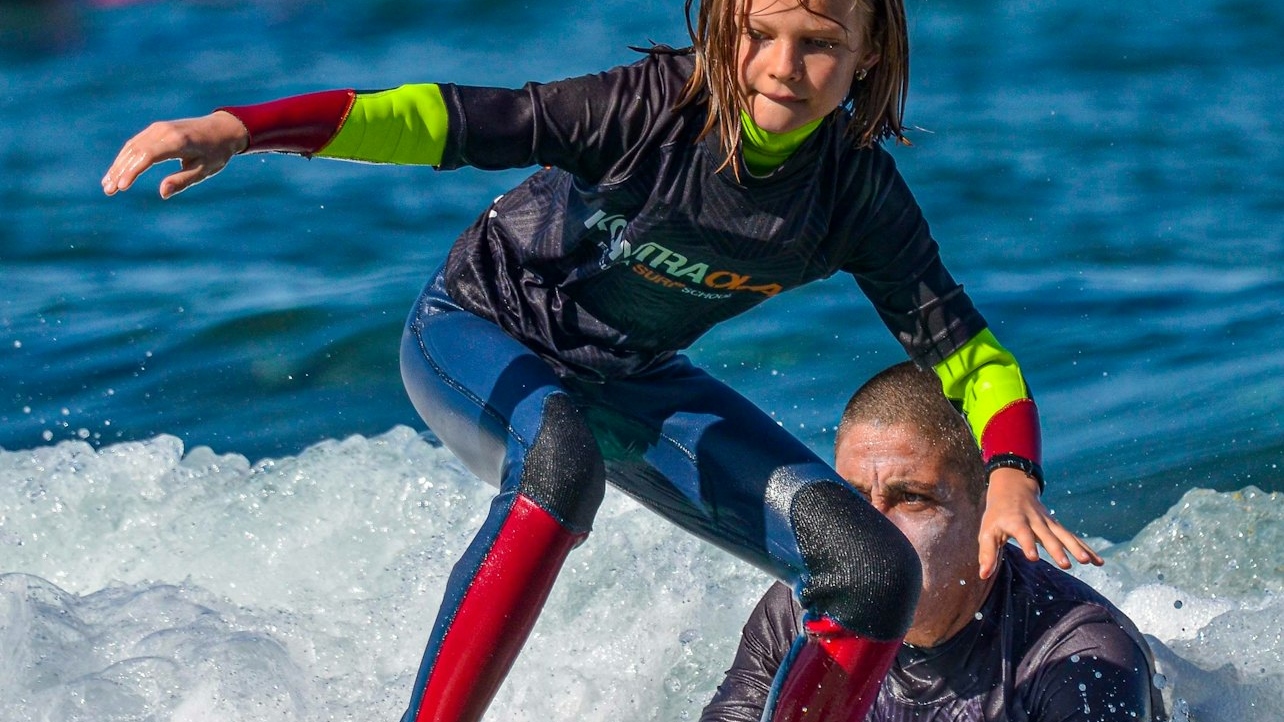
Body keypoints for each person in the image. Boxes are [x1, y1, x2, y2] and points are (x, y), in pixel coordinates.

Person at [101, 0, 1102, 720]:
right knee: (559, 461)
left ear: (871, 51)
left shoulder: (855, 195)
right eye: (759, 33)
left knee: (869, 568)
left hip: (628, 374)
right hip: (477, 330)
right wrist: (245, 128)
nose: (781, 66)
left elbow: (966, 348)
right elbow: (445, 118)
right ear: (724, 21)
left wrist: (1012, 467)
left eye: (821, 42)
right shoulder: (646, 110)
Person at [702, 362, 1165, 722]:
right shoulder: (795, 616)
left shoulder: (1079, 656)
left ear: (988, 513)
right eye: (852, 498)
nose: (869, 532)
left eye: (911, 498)